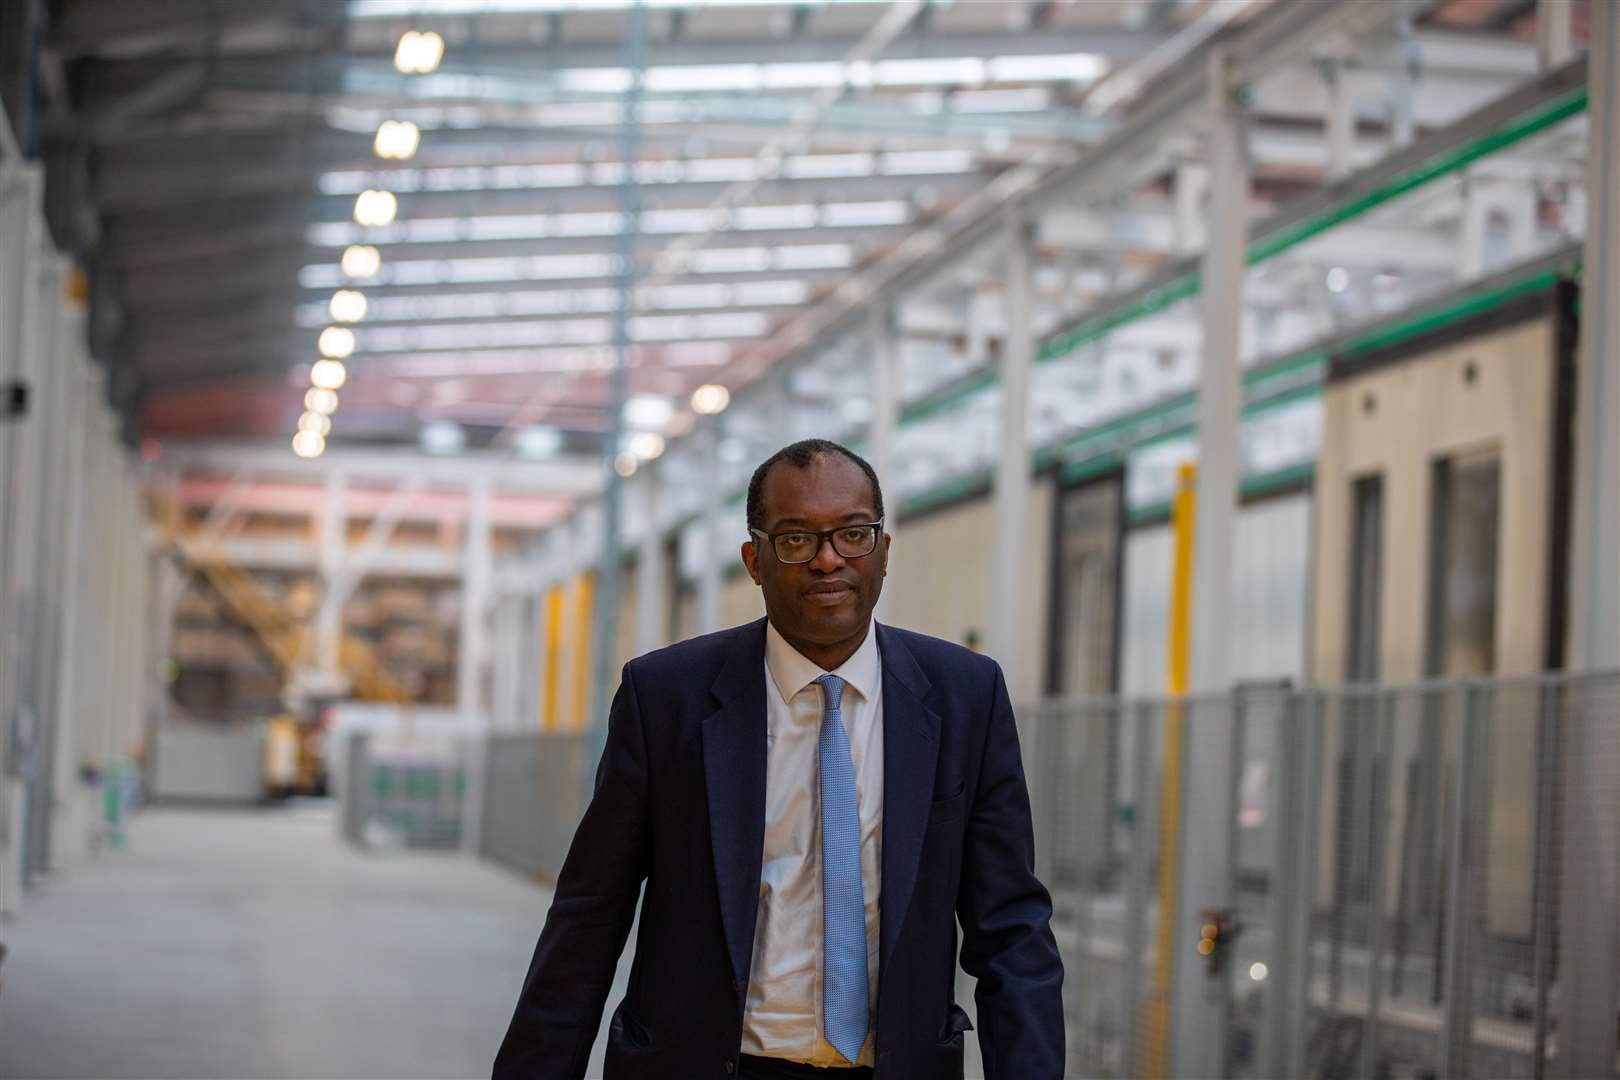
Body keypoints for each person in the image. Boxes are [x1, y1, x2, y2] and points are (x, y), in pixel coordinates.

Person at [494, 439, 1063, 1080]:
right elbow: (590, 917)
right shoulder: (667, 699)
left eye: (853, 534)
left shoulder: (965, 695)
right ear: (754, 561)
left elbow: (1010, 928)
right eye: (795, 540)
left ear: (883, 551)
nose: (828, 561)